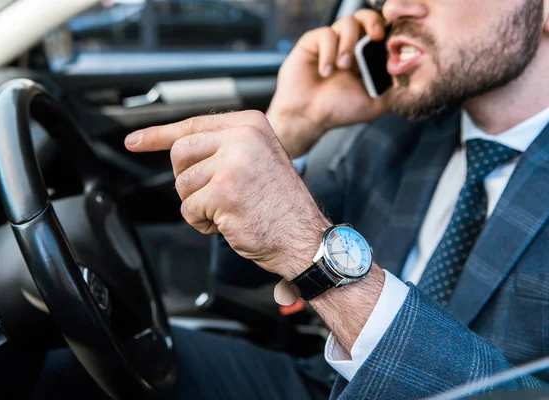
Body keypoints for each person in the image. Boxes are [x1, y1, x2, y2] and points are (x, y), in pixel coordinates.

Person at [35, 0, 549, 399]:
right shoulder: (403, 133)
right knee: (65, 367)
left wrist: (315, 254)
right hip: (320, 383)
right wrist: (293, 127)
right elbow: (243, 274)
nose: (394, 9)